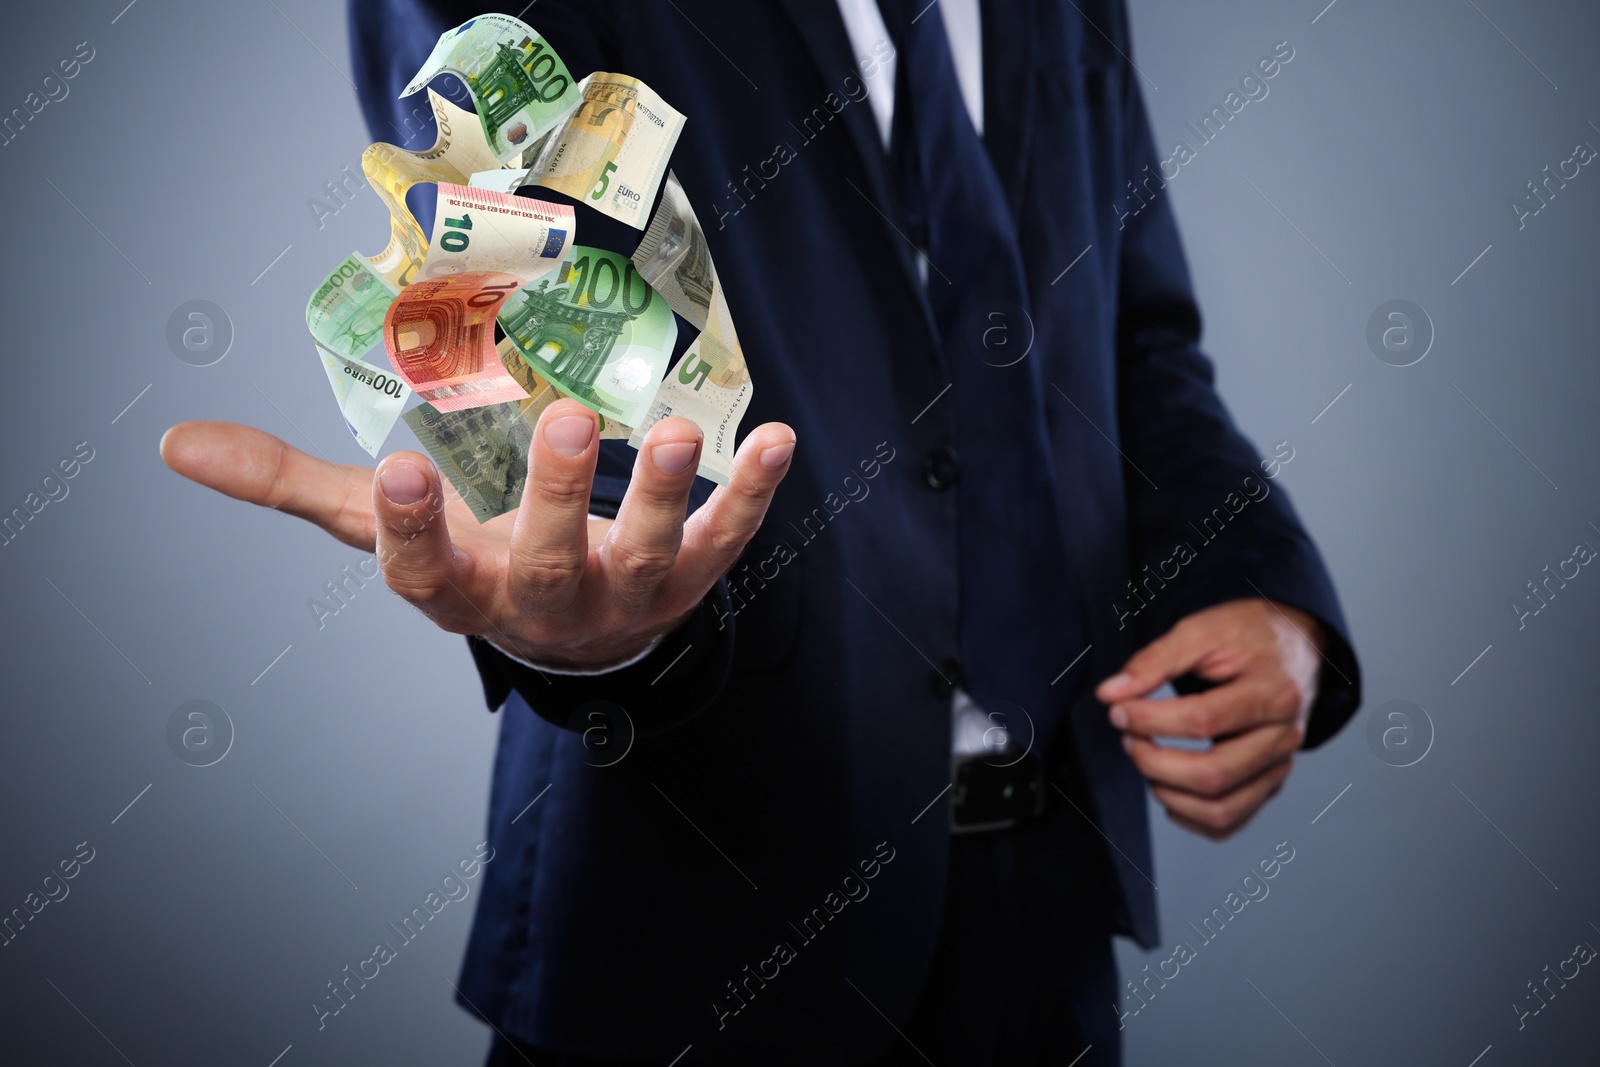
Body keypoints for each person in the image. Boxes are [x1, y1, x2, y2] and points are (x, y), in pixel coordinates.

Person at [161, 0, 1361, 1063]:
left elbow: (1132, 335)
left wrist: (1252, 576)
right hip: (704, 918)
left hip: (1043, 913)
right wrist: (606, 630)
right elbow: (544, 380)